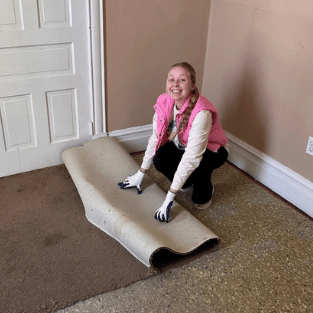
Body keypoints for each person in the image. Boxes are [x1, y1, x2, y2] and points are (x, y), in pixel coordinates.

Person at [118, 62, 228, 223]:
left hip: (212, 151)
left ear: (192, 85)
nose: (175, 84)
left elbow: (192, 157)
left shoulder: (201, 113)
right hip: (183, 145)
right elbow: (155, 139)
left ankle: (205, 186)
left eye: (182, 80)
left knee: (200, 200)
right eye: (171, 79)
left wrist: (169, 198)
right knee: (159, 158)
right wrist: (140, 174)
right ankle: (187, 181)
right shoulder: (164, 103)